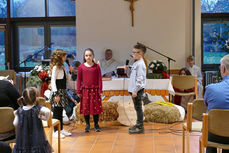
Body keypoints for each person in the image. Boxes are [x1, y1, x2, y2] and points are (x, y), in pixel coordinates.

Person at [13, 87, 52, 153]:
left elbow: (15, 123)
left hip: (23, 140)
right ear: (35, 98)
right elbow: (48, 112)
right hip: (37, 139)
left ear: (23, 98)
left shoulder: (19, 110)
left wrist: (17, 115)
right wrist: (44, 118)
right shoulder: (37, 109)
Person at [204, 54, 229, 153]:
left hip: (215, 135)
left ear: (223, 69)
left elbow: (206, 105)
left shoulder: (211, 88)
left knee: (211, 131)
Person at [77, 48, 103, 132]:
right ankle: (87, 124)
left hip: (95, 90)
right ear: (84, 57)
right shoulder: (81, 67)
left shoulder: (96, 67)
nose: (88, 57)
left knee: (95, 108)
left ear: (93, 56)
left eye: (90, 55)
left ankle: (96, 124)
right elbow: (78, 80)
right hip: (85, 91)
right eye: (86, 55)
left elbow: (99, 79)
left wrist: (100, 90)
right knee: (86, 108)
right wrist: (78, 90)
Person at [49, 49, 72, 138]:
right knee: (56, 112)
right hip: (57, 92)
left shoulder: (62, 66)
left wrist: (69, 71)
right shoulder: (55, 67)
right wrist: (56, 94)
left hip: (62, 91)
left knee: (61, 111)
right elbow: (53, 81)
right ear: (59, 57)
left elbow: (67, 80)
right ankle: (55, 131)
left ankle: (61, 129)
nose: (65, 58)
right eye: (63, 56)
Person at [125, 44, 146, 134]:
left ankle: (140, 126)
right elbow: (131, 76)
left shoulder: (141, 64)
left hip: (137, 90)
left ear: (140, 53)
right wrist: (127, 69)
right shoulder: (136, 63)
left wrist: (135, 90)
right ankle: (138, 124)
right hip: (134, 89)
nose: (132, 54)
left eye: (134, 52)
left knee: (138, 108)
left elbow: (140, 79)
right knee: (137, 107)